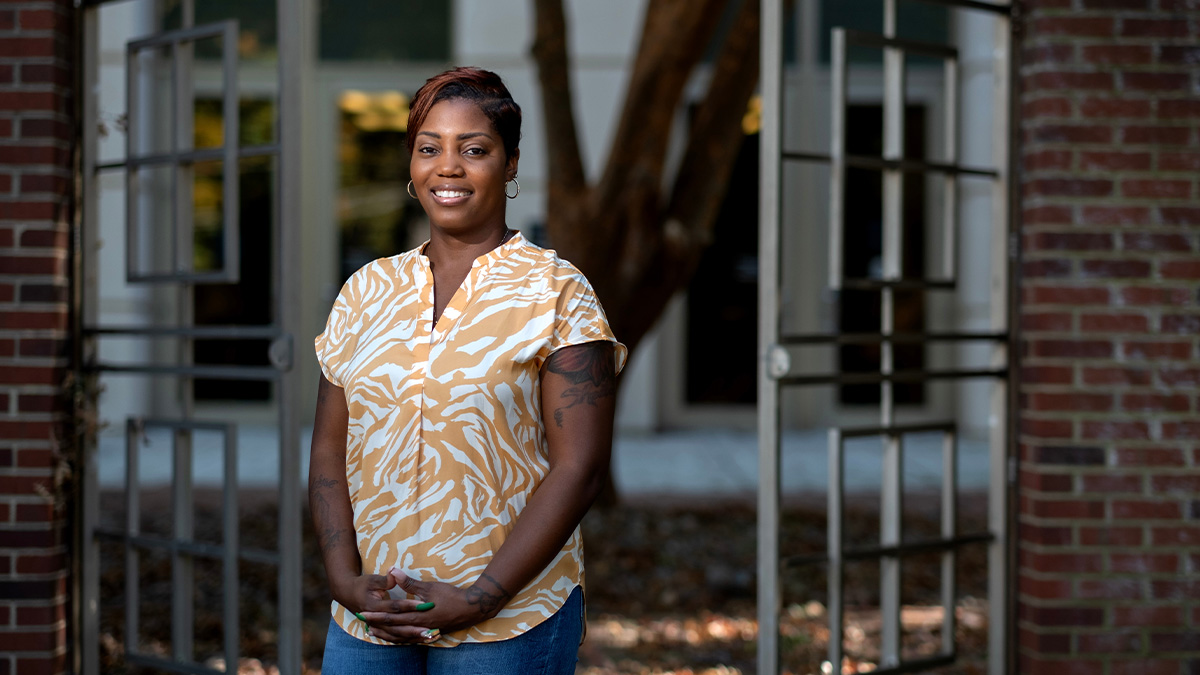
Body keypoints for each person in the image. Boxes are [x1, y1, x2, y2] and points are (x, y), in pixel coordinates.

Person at [309, 66, 627, 674]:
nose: (447, 167)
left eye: (473, 149)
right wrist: (345, 581)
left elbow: (580, 468)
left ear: (509, 165)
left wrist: (482, 596)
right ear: (411, 164)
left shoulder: (557, 291)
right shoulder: (364, 291)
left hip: (509, 622)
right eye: (429, 148)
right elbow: (328, 452)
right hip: (369, 618)